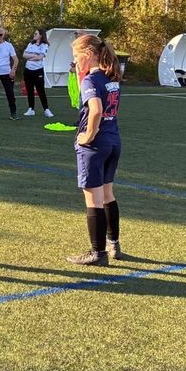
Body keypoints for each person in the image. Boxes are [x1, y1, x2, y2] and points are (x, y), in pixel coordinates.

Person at [66, 34, 125, 266]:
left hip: (95, 145)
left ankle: (97, 253)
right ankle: (114, 244)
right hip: (113, 140)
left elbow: (96, 109)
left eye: (76, 56)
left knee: (94, 199)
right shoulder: (112, 77)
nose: (75, 61)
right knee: (108, 194)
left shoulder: (90, 80)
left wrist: (88, 135)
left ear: (88, 55)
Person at [21, 29, 52, 118]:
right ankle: (31, 109)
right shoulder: (30, 44)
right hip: (28, 70)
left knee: (40, 90)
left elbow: (40, 57)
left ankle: (46, 109)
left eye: (36, 33)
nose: (34, 35)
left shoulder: (45, 45)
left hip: (38, 70)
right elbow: (24, 55)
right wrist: (34, 55)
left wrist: (30, 57)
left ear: (41, 35)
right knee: (29, 90)